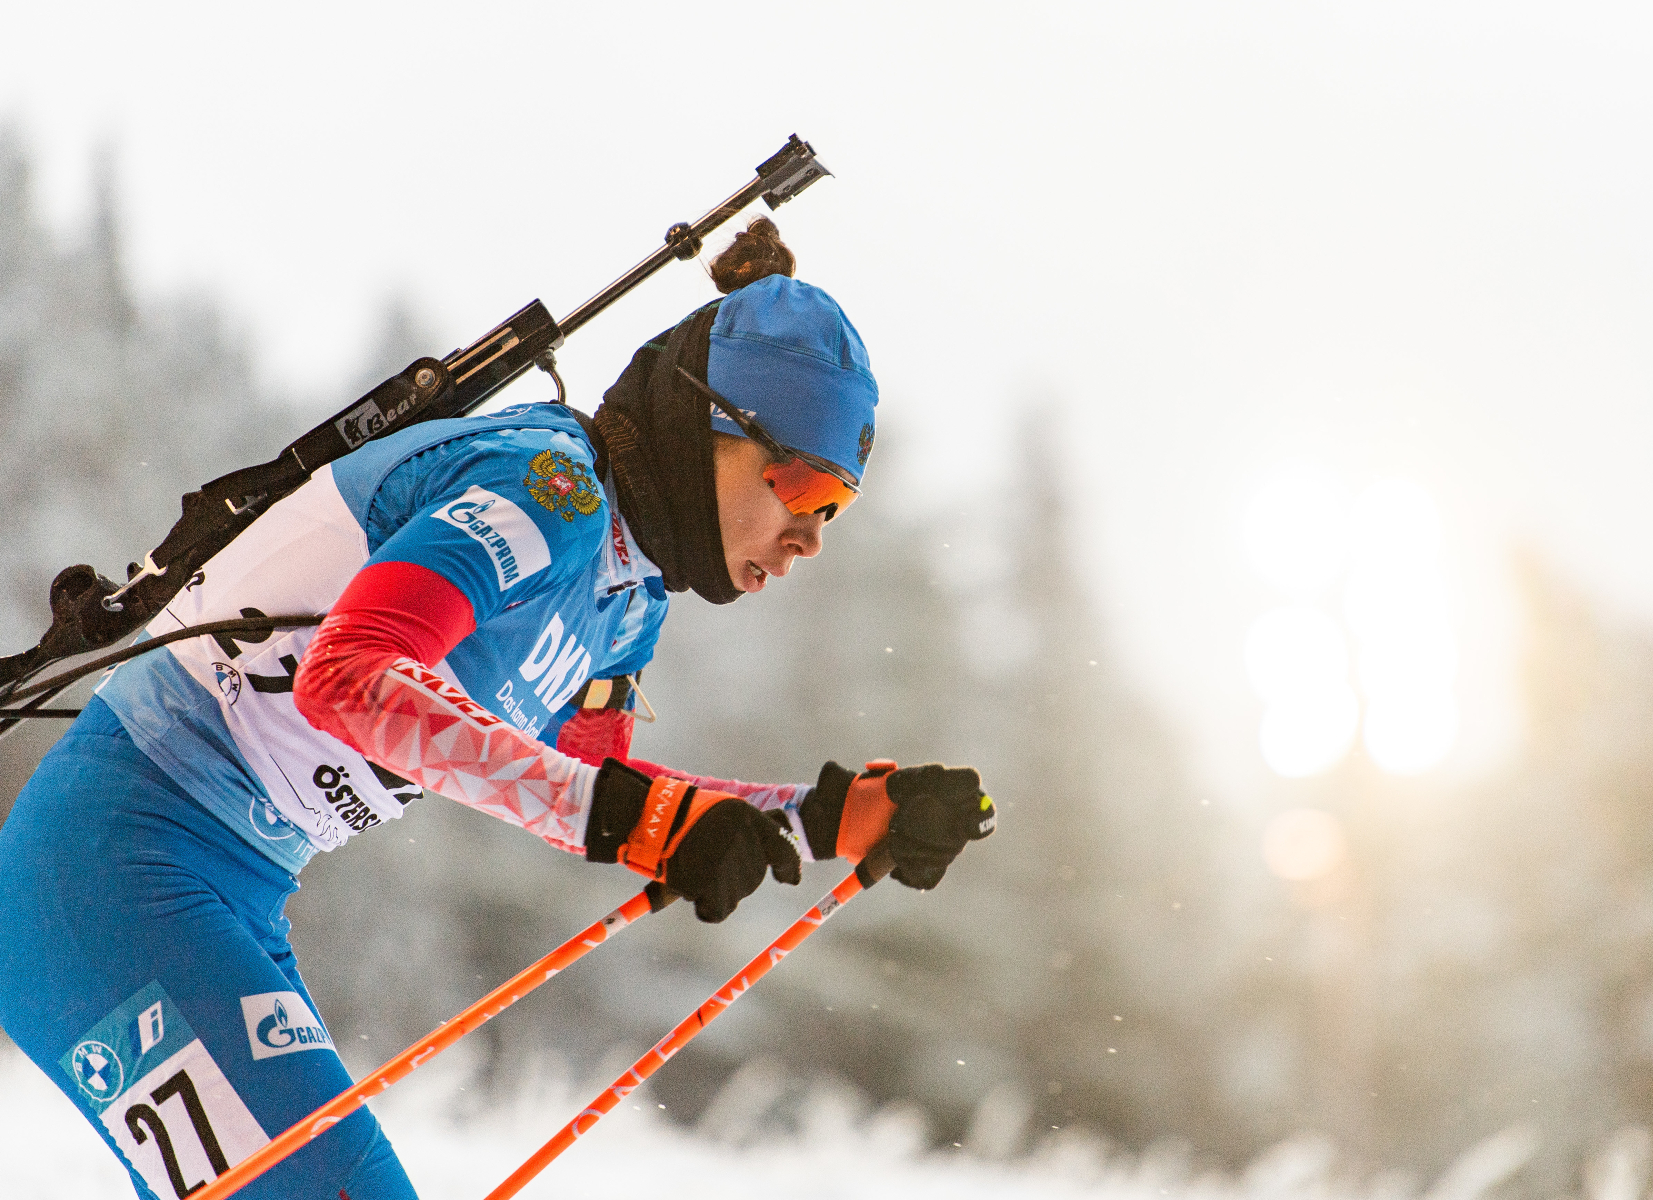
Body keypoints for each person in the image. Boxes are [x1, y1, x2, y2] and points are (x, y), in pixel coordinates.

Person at [0, 219, 996, 1200]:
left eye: (838, 507)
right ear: (710, 427)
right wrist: (641, 824)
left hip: (222, 892)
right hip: (115, 868)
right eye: (802, 483)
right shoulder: (542, 490)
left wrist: (822, 820)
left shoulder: (628, 593)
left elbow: (597, 793)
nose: (810, 535)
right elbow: (349, 677)